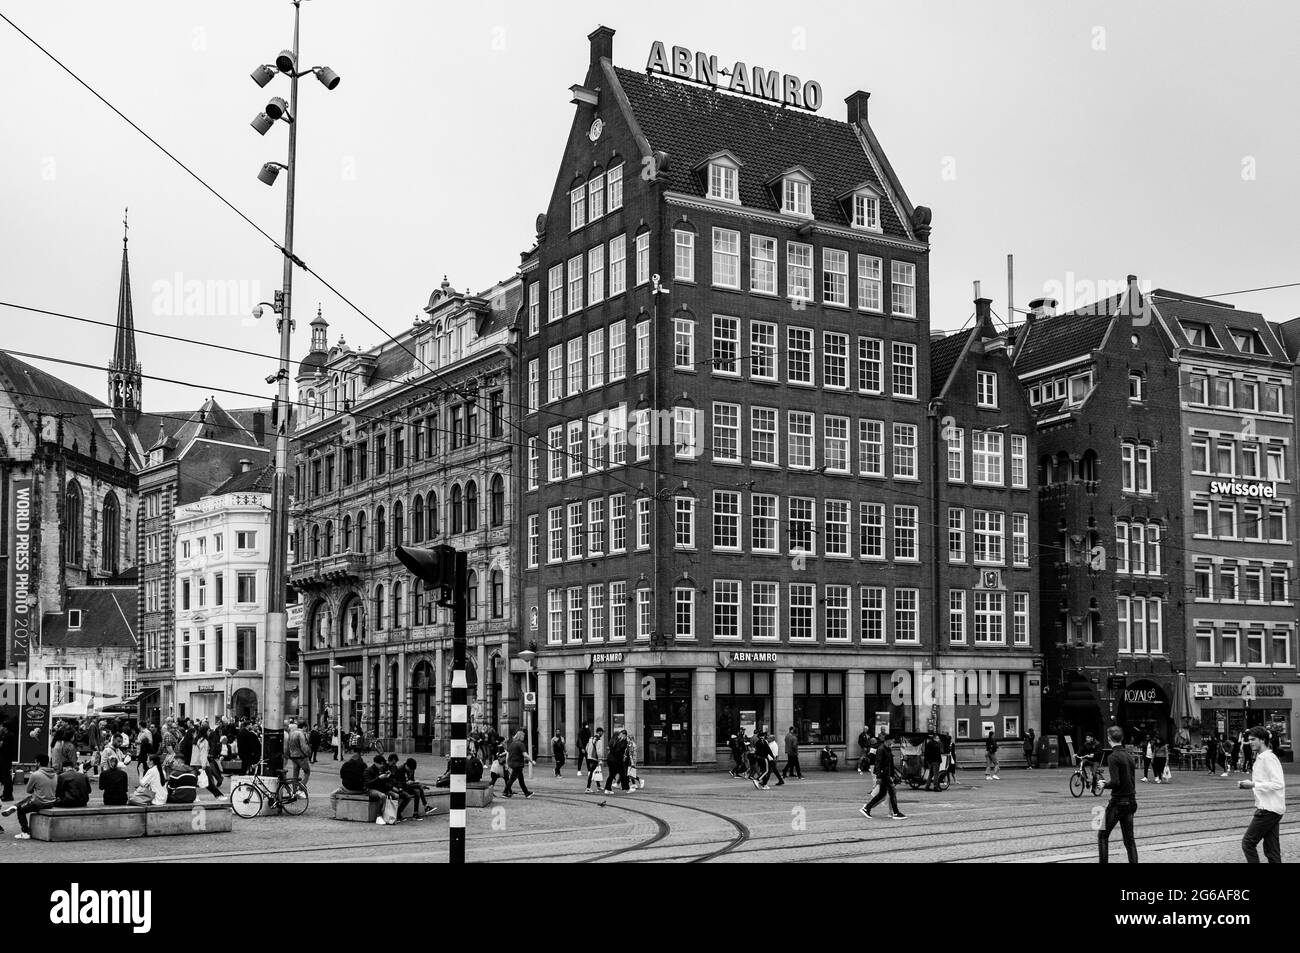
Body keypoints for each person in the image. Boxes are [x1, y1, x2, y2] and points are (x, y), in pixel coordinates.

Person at [1237, 727, 1284, 863]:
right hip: (1272, 808)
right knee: (1272, 850)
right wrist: (1251, 784)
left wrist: (1253, 785)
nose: (1249, 742)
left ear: (1262, 740)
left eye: (1253, 739)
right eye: (1249, 739)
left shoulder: (1268, 758)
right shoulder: (1261, 757)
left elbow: (1278, 783)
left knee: (1248, 843)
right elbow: (1265, 782)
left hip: (1268, 809)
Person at [1097, 725, 1138, 864]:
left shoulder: (1113, 757)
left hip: (1118, 802)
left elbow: (1115, 782)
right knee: (1129, 840)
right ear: (1122, 738)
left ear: (1109, 739)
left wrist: (1104, 784)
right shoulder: (1128, 756)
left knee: (1102, 835)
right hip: (1131, 801)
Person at [3, 753, 59, 838]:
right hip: (51, 802)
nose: (35, 764)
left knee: (21, 810)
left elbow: (28, 790)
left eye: (36, 762)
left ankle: (25, 832)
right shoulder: (55, 775)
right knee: (31, 798)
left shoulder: (35, 774)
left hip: (39, 802)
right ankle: (14, 806)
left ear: (39, 763)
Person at [861, 734, 905, 820]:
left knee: (882, 794)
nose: (893, 742)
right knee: (892, 792)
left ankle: (867, 808)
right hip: (884, 775)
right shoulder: (881, 749)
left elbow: (890, 764)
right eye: (892, 740)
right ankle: (896, 813)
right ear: (888, 740)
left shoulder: (888, 749)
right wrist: (879, 776)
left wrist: (893, 774)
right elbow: (878, 763)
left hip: (887, 774)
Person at [503, 730, 534, 799]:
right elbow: (525, 755)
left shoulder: (512, 743)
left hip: (513, 764)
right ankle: (505, 792)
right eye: (523, 736)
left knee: (520, 779)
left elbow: (507, 754)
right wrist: (532, 761)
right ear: (520, 736)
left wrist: (507, 763)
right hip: (517, 764)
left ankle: (526, 793)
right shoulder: (520, 744)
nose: (524, 737)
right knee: (512, 779)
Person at [604, 729, 630, 795]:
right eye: (619, 735)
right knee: (622, 774)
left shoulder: (612, 741)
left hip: (611, 760)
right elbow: (619, 750)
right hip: (616, 761)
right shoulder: (617, 742)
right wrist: (624, 741)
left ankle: (607, 789)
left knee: (612, 775)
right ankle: (626, 788)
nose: (620, 736)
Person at [584, 728, 605, 793]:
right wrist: (600, 759)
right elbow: (599, 751)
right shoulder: (598, 740)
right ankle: (588, 788)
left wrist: (589, 755)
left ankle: (598, 786)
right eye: (602, 732)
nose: (602, 734)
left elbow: (586, 747)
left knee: (595, 771)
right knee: (592, 772)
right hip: (595, 758)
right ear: (600, 732)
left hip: (589, 757)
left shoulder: (591, 738)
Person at [0, 718, 15, 801]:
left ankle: (8, 795)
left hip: (6, 760)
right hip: (6, 759)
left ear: (5, 727)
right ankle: (6, 793)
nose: (0, 727)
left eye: (2, 726)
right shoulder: (7, 735)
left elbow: (5, 748)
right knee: (6, 778)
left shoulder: (9, 736)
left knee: (7, 778)